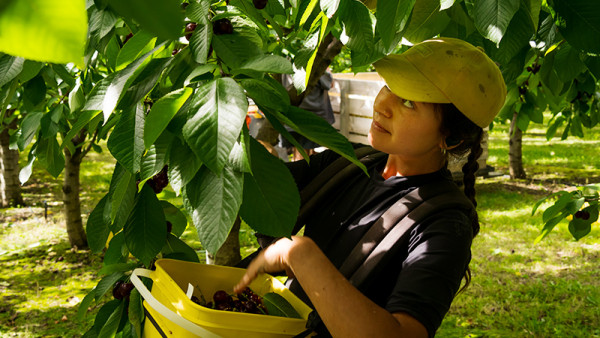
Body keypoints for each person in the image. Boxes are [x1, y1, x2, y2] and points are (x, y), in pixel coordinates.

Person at [234, 37, 506, 337]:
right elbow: (258, 188)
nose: (383, 105)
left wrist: (300, 255)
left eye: (408, 102)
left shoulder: (445, 224)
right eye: (390, 87)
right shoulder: (348, 163)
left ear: (451, 138)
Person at [280, 71, 335, 161]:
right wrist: (328, 71)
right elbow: (329, 84)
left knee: (299, 152)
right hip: (313, 118)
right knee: (305, 155)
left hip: (291, 118)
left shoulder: (285, 63)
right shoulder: (315, 63)